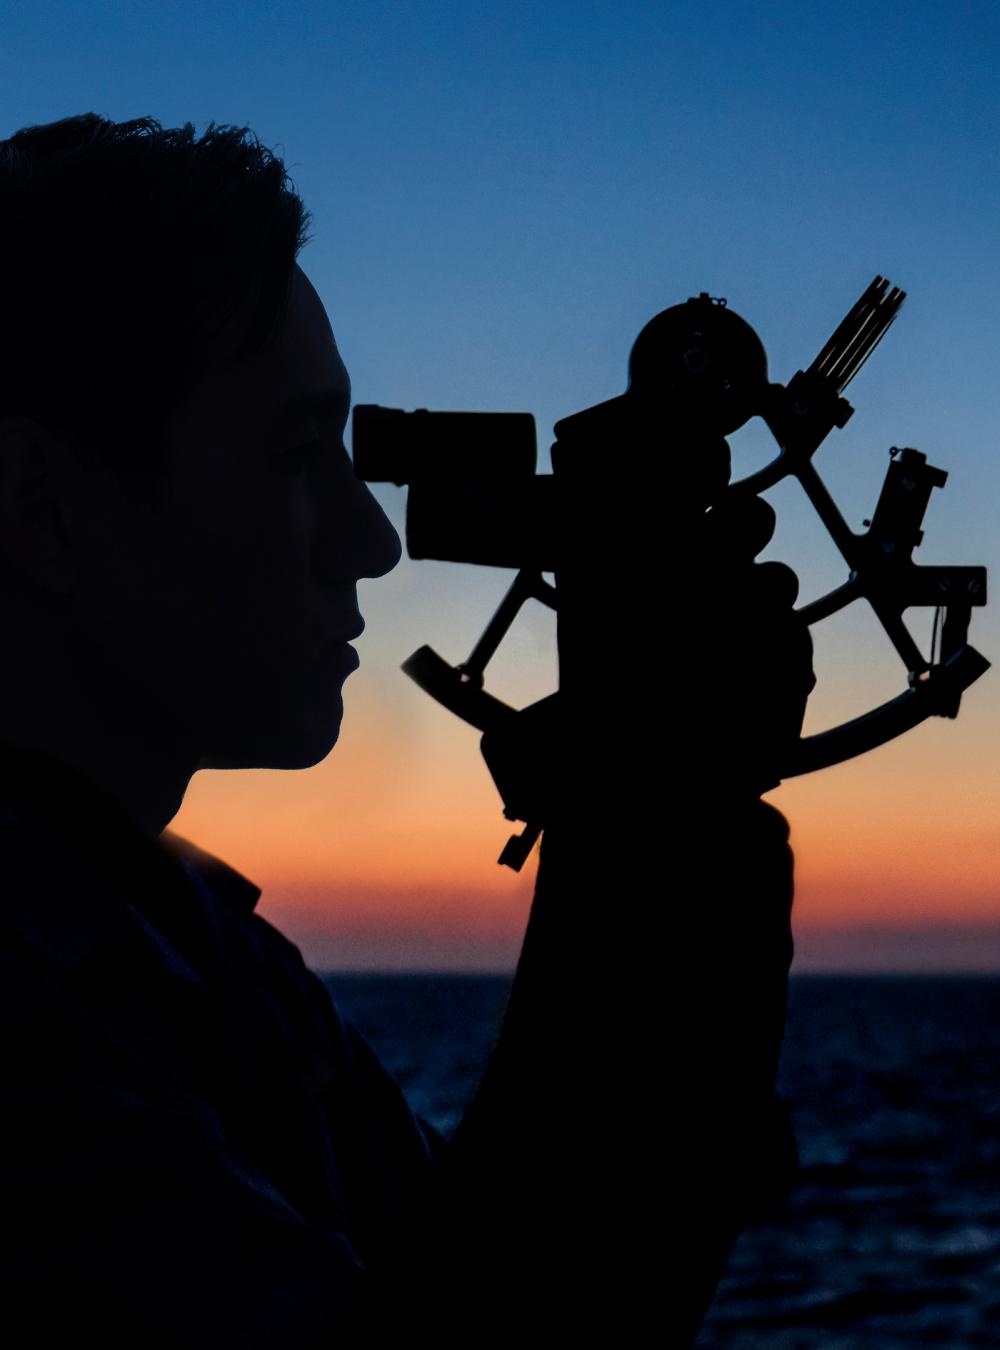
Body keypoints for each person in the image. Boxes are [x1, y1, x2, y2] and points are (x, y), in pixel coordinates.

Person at [0, 112, 813, 1346]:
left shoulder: (212, 958)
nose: (371, 541)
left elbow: (467, 1276)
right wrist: (654, 826)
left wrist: (647, 821)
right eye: (290, 453)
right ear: (39, 509)